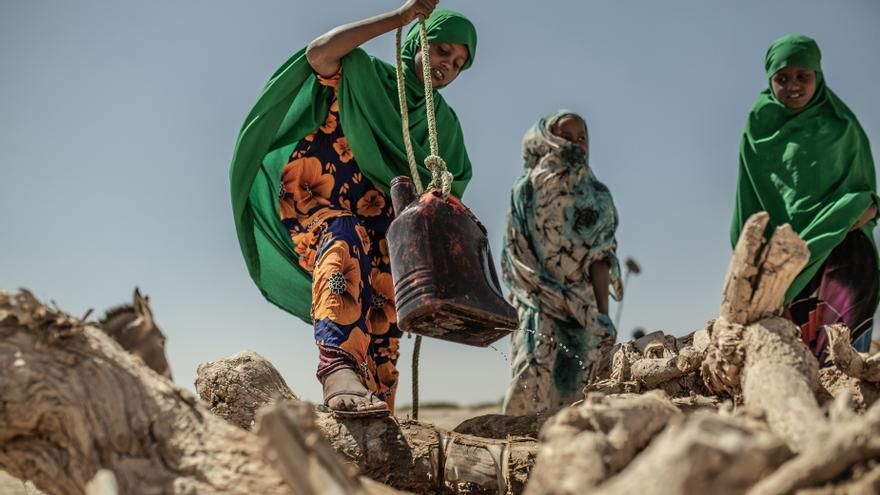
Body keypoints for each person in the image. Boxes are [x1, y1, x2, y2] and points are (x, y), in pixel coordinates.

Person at [229, 1, 477, 417]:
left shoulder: (444, 127)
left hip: (387, 227)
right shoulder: (361, 73)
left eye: (457, 62)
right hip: (319, 198)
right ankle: (336, 368)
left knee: (385, 311)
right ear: (418, 40)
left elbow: (451, 188)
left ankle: (376, 412)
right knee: (343, 238)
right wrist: (397, 19)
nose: (448, 65)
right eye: (441, 50)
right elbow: (318, 53)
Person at [731, 34, 879, 361]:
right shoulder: (759, 127)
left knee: (844, 371)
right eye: (782, 78)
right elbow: (749, 199)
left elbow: (867, 195)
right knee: (791, 366)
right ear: (770, 80)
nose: (793, 86)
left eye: (803, 76)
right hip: (784, 269)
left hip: (844, 260)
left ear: (818, 75)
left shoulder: (840, 125)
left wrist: (859, 211)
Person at [501, 110, 622, 415]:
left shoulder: (597, 195)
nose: (576, 144)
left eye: (582, 138)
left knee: (584, 385)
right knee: (532, 373)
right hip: (536, 299)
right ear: (547, 141)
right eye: (566, 137)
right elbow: (518, 252)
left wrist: (601, 318)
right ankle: (522, 454)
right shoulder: (525, 189)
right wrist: (542, 293)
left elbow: (600, 257)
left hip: (583, 308)